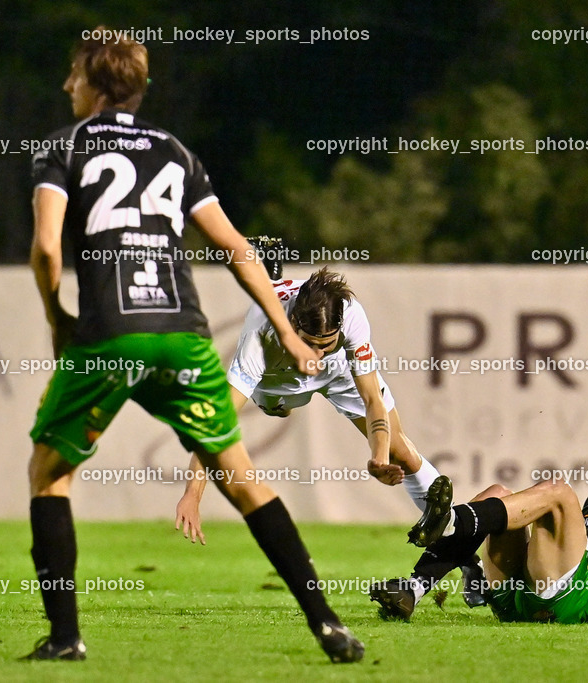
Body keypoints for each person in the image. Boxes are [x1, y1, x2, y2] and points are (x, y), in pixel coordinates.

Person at [23, 28, 363, 663]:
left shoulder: (65, 146)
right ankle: (327, 624)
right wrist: (286, 328)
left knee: (50, 473)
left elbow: (45, 248)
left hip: (111, 339)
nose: (67, 86)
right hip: (183, 335)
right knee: (242, 479)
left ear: (96, 85)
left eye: (74, 75)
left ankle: (66, 638)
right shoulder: (176, 152)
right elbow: (236, 248)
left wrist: (56, 321)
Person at [173, 262, 487, 607]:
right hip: (277, 378)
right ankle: (270, 272)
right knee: (278, 409)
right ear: (292, 325)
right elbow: (217, 422)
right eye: (310, 344)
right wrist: (193, 493)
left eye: (327, 344)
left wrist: (379, 458)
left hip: (340, 376)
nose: (318, 355)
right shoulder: (260, 334)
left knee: (403, 453)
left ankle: (467, 555)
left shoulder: (351, 317)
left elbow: (372, 400)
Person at [370, 403, 588, 625]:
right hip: (524, 596)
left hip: (580, 602)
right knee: (498, 493)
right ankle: (413, 589)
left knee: (558, 492)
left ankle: (454, 525)